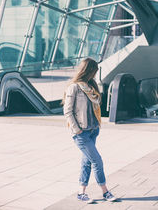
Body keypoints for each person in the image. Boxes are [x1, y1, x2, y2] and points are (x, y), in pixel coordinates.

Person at [63, 58, 116, 204]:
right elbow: (67, 111)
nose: (95, 73)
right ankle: (105, 191)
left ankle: (81, 192)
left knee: (86, 162)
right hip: (81, 132)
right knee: (97, 161)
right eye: (94, 70)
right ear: (88, 70)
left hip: (93, 130)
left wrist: (97, 126)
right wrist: (77, 130)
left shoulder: (91, 86)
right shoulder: (74, 87)